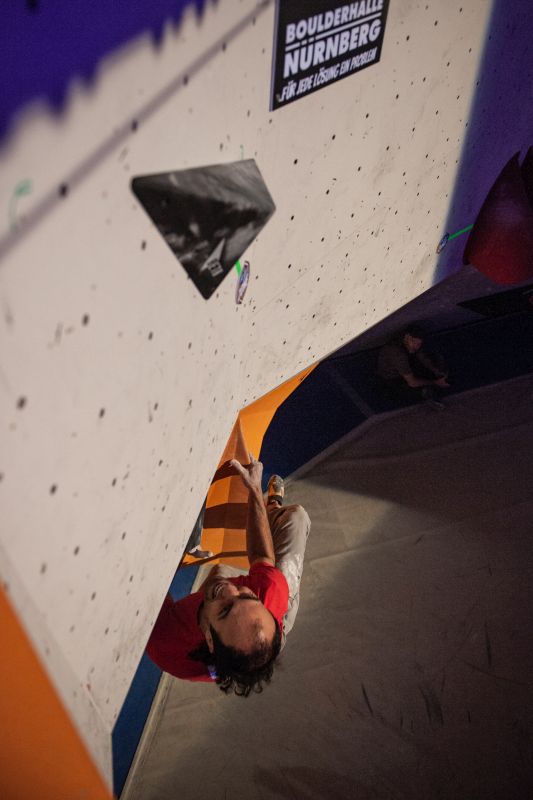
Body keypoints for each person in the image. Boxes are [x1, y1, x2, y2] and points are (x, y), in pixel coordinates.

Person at [146, 456, 310, 697]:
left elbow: (147, 582)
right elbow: (261, 556)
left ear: (210, 640)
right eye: (247, 596)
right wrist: (254, 489)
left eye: (225, 610)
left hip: (223, 635)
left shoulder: (165, 641)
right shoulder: (270, 593)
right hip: (270, 614)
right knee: (295, 518)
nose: (229, 589)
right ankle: (272, 507)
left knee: (220, 573)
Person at [376, 324, 450, 409]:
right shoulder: (397, 353)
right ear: (408, 337)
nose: (417, 347)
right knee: (420, 387)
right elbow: (412, 382)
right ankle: (428, 397)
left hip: (406, 369)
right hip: (392, 379)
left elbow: (422, 357)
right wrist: (436, 382)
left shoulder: (409, 343)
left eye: (419, 344)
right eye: (417, 344)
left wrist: (435, 370)